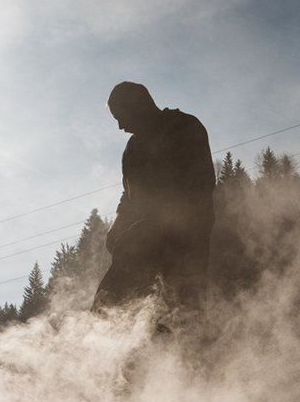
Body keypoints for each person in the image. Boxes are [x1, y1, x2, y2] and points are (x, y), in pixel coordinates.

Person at [92, 81, 215, 310]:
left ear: (138, 106)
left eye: (121, 117)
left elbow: (200, 185)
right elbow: (128, 197)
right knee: (110, 303)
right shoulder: (132, 150)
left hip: (187, 244)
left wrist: (154, 225)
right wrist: (117, 227)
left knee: (181, 313)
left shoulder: (184, 126)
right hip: (142, 243)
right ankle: (93, 342)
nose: (120, 127)